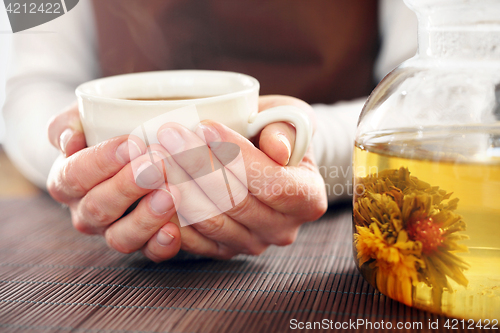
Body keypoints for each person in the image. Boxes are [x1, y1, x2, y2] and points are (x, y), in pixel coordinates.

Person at [2, 0, 417, 262]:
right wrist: (75, 163)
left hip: (345, 222)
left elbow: (420, 94)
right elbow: (27, 86)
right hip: (98, 233)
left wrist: (301, 151)